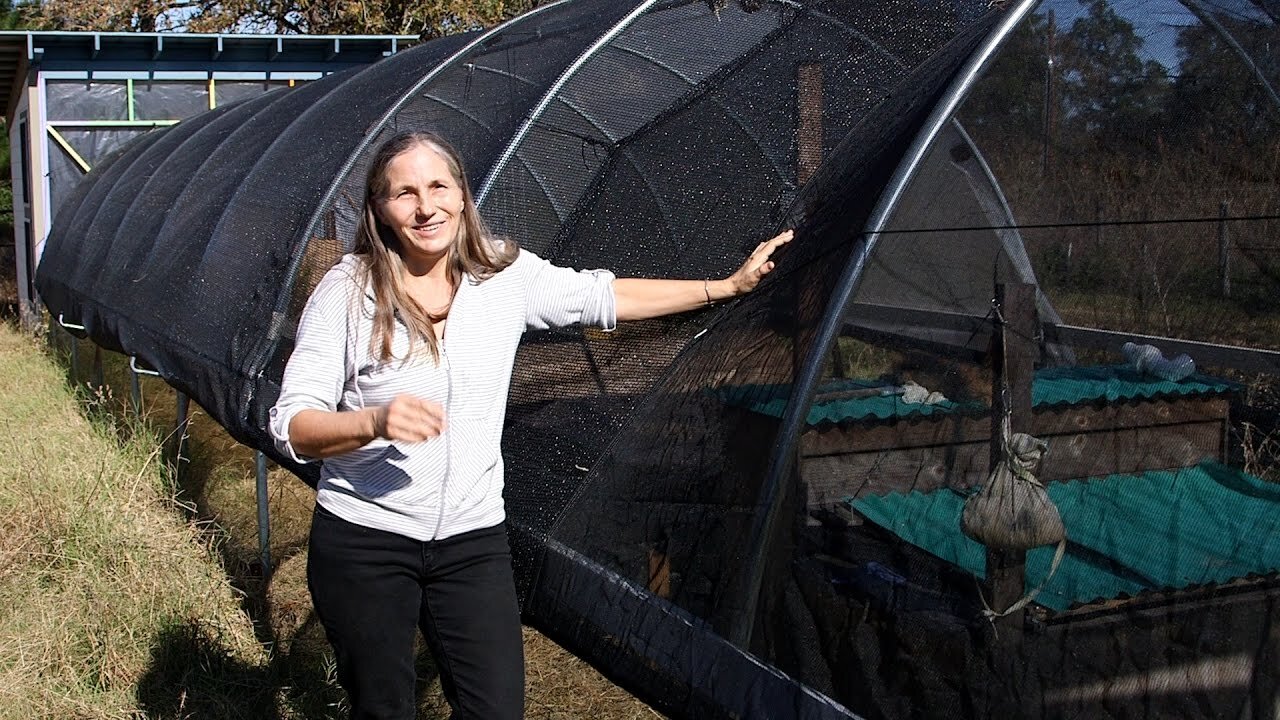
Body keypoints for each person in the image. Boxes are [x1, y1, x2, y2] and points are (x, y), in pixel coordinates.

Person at [269, 130, 791, 720]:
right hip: (366, 540)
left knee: (496, 708)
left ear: (463, 194)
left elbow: (602, 296)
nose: (425, 207)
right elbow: (292, 424)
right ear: (381, 210)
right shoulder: (349, 290)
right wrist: (372, 421)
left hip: (471, 540)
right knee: (385, 707)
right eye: (404, 193)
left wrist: (722, 288)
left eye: (439, 186)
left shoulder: (503, 275)